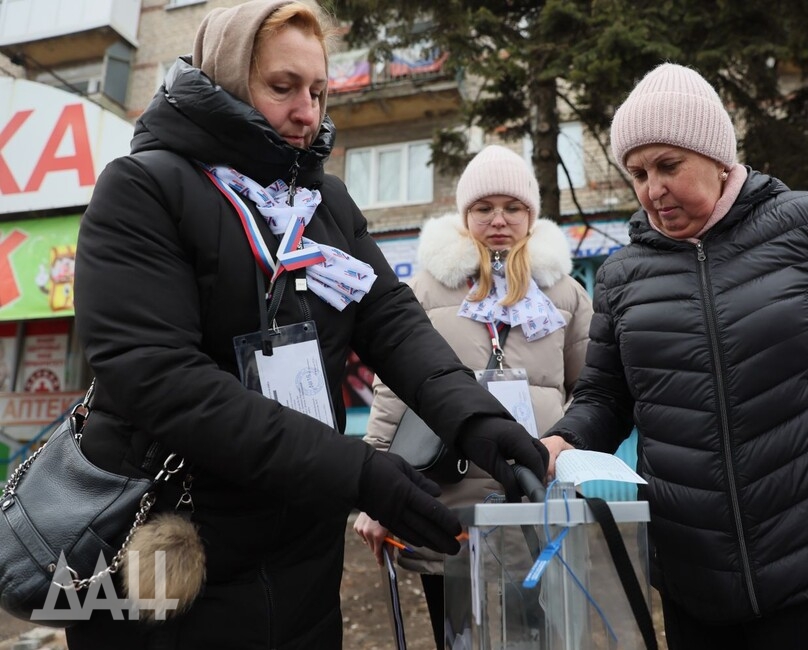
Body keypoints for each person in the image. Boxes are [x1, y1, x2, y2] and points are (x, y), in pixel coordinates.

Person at [66, 1, 547, 648]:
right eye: (283, 87)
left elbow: (392, 322)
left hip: (301, 557)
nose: (308, 113)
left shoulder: (325, 203)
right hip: (168, 553)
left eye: (319, 91)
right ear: (227, 79)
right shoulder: (143, 190)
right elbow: (157, 379)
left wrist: (476, 420)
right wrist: (358, 473)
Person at [540, 63, 808, 650]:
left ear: (716, 157)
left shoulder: (807, 224)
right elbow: (606, 396)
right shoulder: (621, 276)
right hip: (695, 581)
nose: (652, 188)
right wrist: (563, 442)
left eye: (668, 165)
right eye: (637, 172)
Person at [353, 144, 593, 647]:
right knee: (457, 634)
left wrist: (570, 459)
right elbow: (393, 392)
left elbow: (589, 391)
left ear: (531, 214)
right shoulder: (425, 288)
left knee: (536, 634)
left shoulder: (566, 293)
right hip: (449, 497)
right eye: (484, 208)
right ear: (465, 215)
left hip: (534, 493)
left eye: (513, 207)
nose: (498, 220)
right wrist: (374, 491)